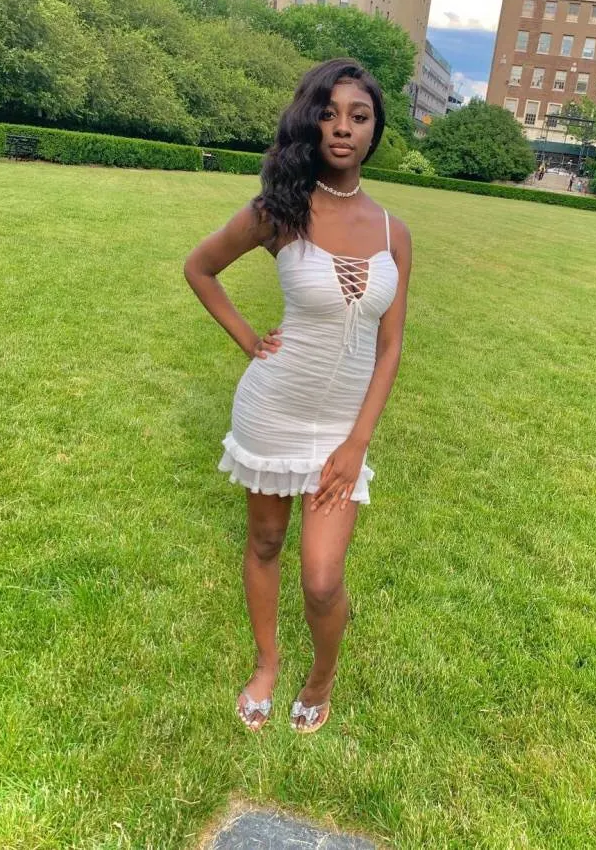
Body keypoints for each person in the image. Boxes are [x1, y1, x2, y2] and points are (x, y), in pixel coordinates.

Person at [183, 58, 412, 734]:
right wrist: (251, 341)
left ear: (373, 130)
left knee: (321, 577)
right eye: (329, 114)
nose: (342, 128)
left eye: (359, 117)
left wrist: (358, 441)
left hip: (341, 428)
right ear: (310, 123)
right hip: (273, 408)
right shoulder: (279, 210)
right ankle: (267, 664)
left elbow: (390, 346)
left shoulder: (394, 232)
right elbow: (200, 267)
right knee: (264, 542)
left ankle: (321, 677)